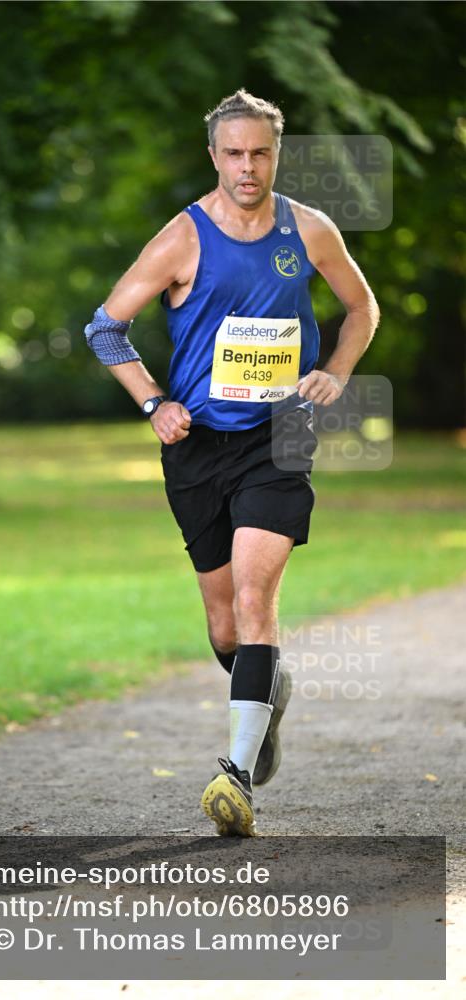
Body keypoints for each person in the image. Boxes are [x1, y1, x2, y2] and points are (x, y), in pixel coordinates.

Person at [84, 88, 380, 837]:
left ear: (275, 154)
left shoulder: (307, 230)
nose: (247, 167)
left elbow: (361, 308)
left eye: (260, 153)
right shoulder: (180, 238)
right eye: (233, 153)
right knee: (225, 629)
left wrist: (335, 375)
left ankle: (236, 776)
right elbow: (105, 327)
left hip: (279, 436)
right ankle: (264, 693)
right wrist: (154, 402)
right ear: (212, 155)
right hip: (196, 450)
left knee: (254, 602)